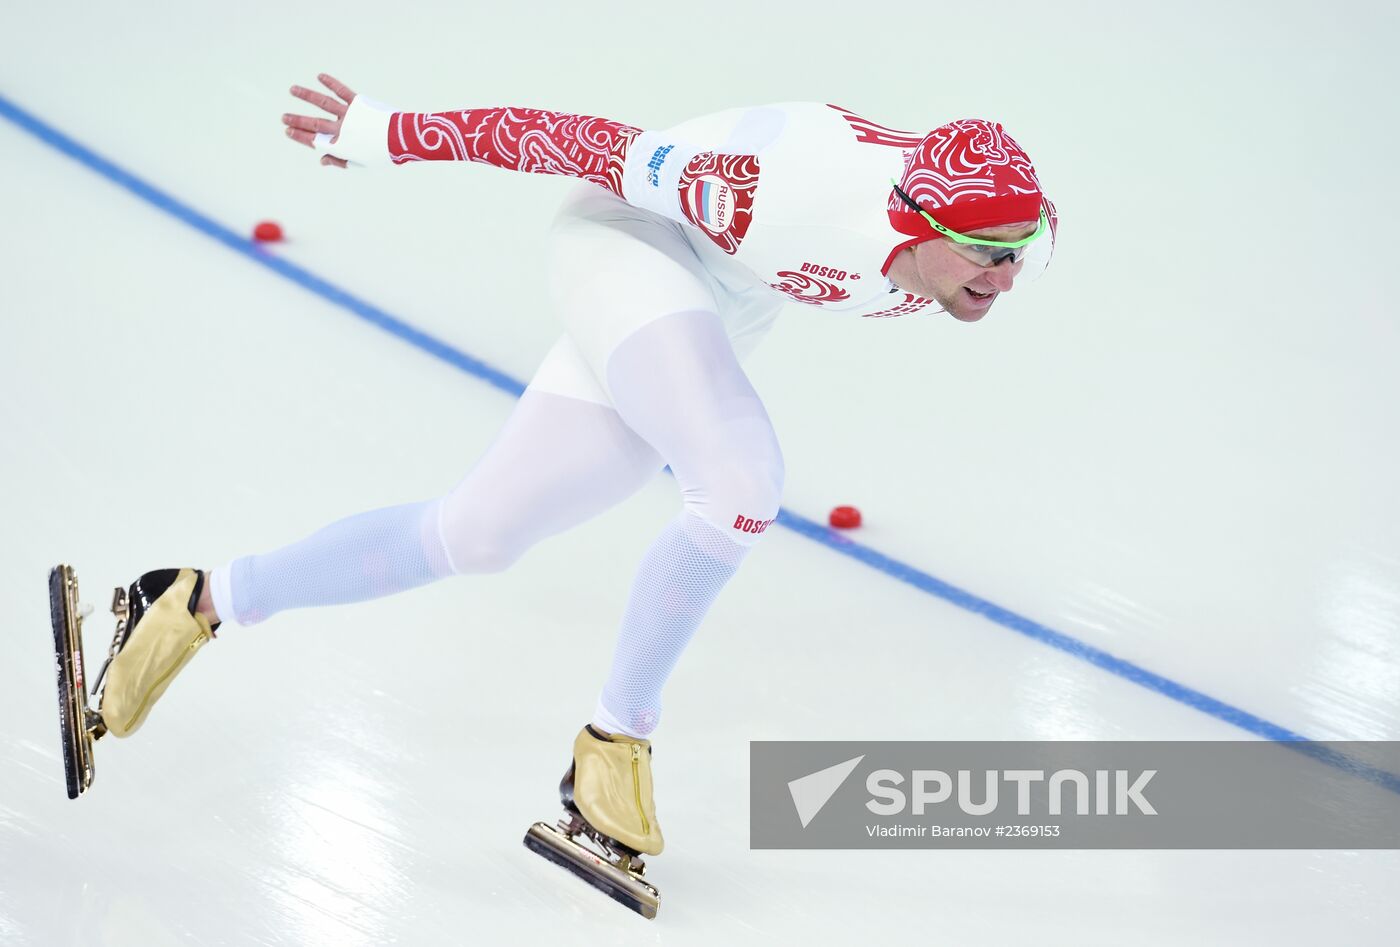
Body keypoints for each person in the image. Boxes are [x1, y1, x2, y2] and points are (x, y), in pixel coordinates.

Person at [81, 73, 1057, 916]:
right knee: (738, 482)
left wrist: (1003, 242)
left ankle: (194, 599)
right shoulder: (772, 187)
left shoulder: (1008, 235)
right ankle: (615, 744)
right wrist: (388, 132)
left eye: (1022, 245)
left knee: (478, 533)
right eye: (986, 251)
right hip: (633, 246)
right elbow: (571, 139)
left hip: (718, 298)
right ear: (914, 222)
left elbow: (1002, 238)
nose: (1009, 274)